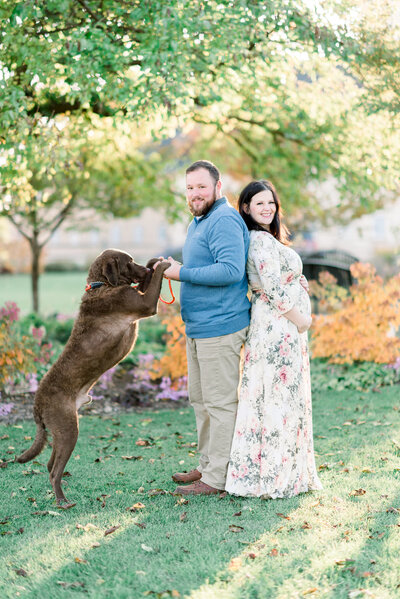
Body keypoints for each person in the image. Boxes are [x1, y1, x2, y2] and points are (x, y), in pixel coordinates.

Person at [225, 180, 322, 498]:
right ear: (246, 208)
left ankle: (279, 470)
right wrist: (302, 320)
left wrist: (300, 280)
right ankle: (274, 476)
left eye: (271, 203)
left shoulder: (266, 239)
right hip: (278, 330)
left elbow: (280, 278)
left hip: (278, 329)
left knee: (276, 398)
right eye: (259, 203)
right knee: (277, 400)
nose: (267, 208)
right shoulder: (259, 240)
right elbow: (273, 289)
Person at [163, 160, 250, 495]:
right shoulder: (198, 221)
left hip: (221, 327)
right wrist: (171, 268)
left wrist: (180, 273)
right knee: (200, 401)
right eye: (189, 188)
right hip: (199, 327)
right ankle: (207, 466)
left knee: (220, 403)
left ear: (218, 186)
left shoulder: (225, 219)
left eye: (201, 186)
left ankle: (218, 478)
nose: (195, 193)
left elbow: (229, 270)